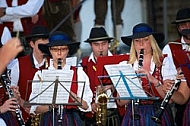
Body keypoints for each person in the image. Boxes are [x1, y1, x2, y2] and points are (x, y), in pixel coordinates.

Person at [119, 23, 179, 126]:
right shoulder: (125, 65)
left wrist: (154, 81)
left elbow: (169, 100)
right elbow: (120, 102)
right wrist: (133, 88)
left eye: (145, 40)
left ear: (152, 42)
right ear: (133, 44)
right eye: (137, 41)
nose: (141, 44)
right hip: (134, 114)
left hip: (158, 113)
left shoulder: (164, 62)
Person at [29, 31, 93, 125]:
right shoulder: (40, 74)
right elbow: (34, 109)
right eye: (55, 49)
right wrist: (50, 106)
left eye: (63, 49)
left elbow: (86, 106)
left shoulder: (78, 73)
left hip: (71, 119)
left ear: (68, 50)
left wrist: (71, 94)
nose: (59, 53)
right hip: (49, 119)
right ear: (50, 50)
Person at [81, 27, 125, 126]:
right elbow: (81, 91)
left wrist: (113, 86)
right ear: (91, 45)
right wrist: (90, 104)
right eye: (96, 44)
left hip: (114, 112)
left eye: (104, 44)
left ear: (108, 44)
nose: (101, 48)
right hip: (92, 115)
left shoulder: (118, 62)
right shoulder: (83, 64)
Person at [10, 25, 50, 124]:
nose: (44, 49)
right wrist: (22, 102)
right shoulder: (17, 64)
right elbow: (11, 90)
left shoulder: (53, 64)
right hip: (24, 117)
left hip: (47, 117)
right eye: (41, 45)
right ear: (32, 44)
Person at [162, 7, 190, 126]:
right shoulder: (170, 48)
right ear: (178, 28)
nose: (188, 27)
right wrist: (175, 79)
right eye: (184, 25)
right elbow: (167, 79)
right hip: (183, 105)